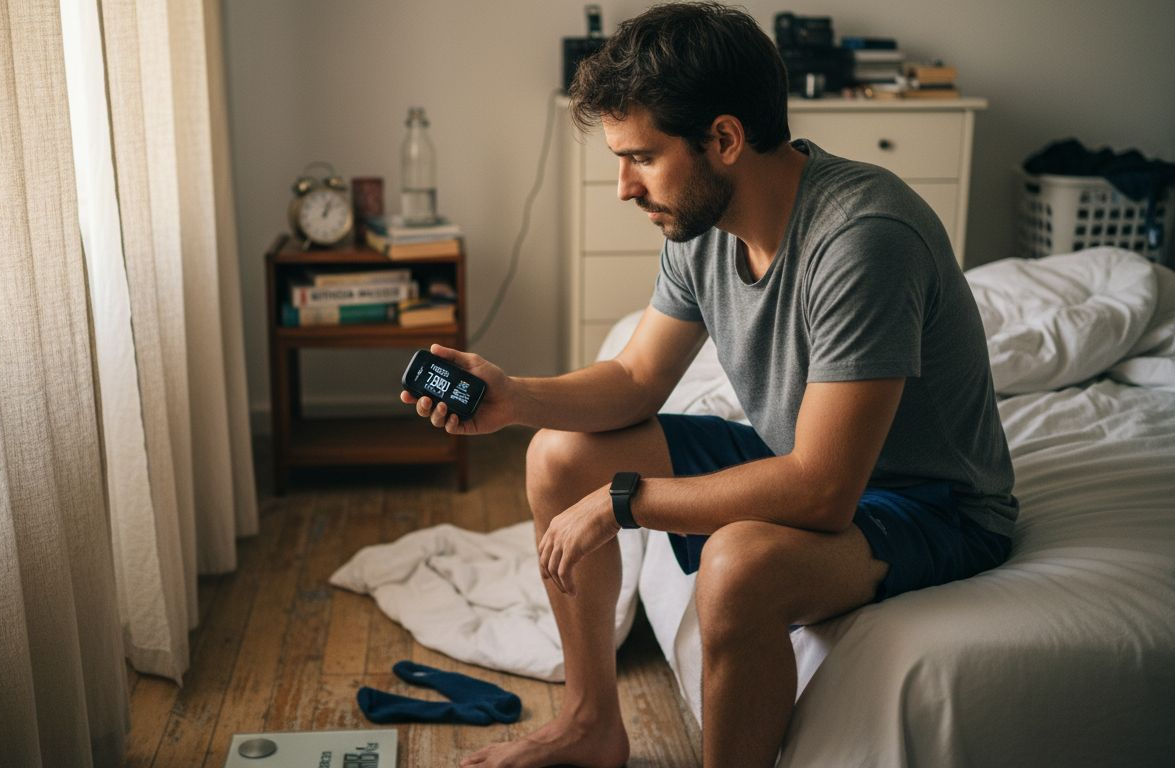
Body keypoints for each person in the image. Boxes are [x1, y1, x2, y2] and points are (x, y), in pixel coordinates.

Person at [400, 3, 1017, 767]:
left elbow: (823, 490)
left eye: (642, 157)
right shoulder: (701, 225)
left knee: (736, 566)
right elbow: (634, 378)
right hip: (793, 452)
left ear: (724, 139)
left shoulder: (864, 239)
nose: (624, 186)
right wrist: (515, 398)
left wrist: (625, 501)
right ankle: (592, 724)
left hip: (930, 504)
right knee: (559, 457)